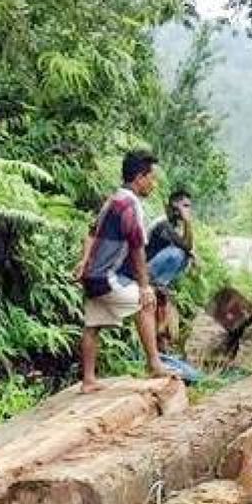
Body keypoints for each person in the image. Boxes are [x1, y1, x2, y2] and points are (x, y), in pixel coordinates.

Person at [75, 150, 175, 393]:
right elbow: (137, 249)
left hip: (92, 276)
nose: (153, 184)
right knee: (146, 303)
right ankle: (154, 363)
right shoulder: (131, 205)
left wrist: (83, 262)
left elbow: (91, 232)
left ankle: (88, 380)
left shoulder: (113, 199)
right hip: (106, 277)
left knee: (93, 325)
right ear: (140, 177)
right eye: (151, 178)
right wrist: (144, 286)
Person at [145, 188, 197, 350]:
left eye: (189, 206)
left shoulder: (173, 225)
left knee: (186, 256)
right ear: (175, 205)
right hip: (144, 267)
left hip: (154, 266)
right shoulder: (162, 224)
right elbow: (186, 246)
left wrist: (194, 255)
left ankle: (161, 283)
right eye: (185, 206)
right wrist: (188, 222)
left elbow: (189, 246)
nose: (187, 210)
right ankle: (158, 283)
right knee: (179, 253)